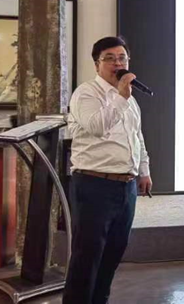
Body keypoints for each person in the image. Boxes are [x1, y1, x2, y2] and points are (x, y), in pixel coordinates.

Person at [62, 36, 152, 304]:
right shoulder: (86, 93)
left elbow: (137, 136)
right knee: (86, 258)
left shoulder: (129, 100)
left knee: (112, 255)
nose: (117, 63)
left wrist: (144, 170)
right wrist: (121, 97)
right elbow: (97, 127)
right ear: (97, 64)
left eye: (122, 58)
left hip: (126, 186)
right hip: (94, 185)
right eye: (110, 58)